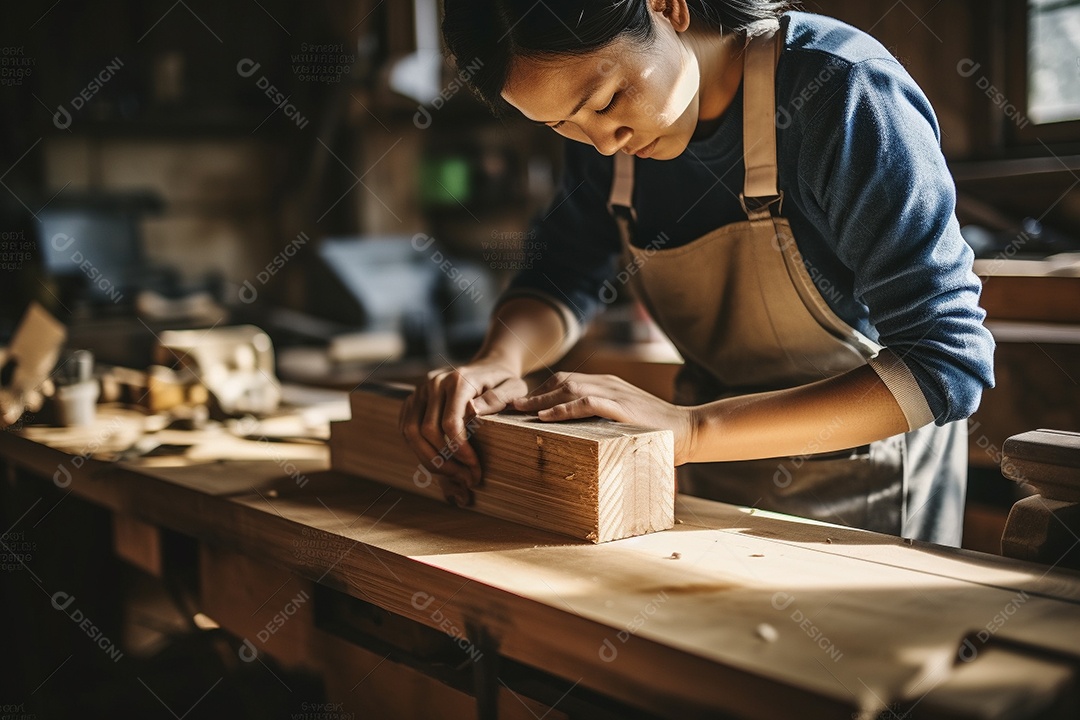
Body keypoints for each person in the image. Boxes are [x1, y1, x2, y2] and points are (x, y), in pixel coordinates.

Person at [399, 0, 995, 546]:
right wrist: (499, 360)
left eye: (605, 102)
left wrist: (690, 430)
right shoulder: (607, 134)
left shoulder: (840, 92)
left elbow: (945, 363)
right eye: (562, 125)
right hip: (705, 472)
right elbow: (562, 272)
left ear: (667, 7)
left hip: (868, 479)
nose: (602, 145)